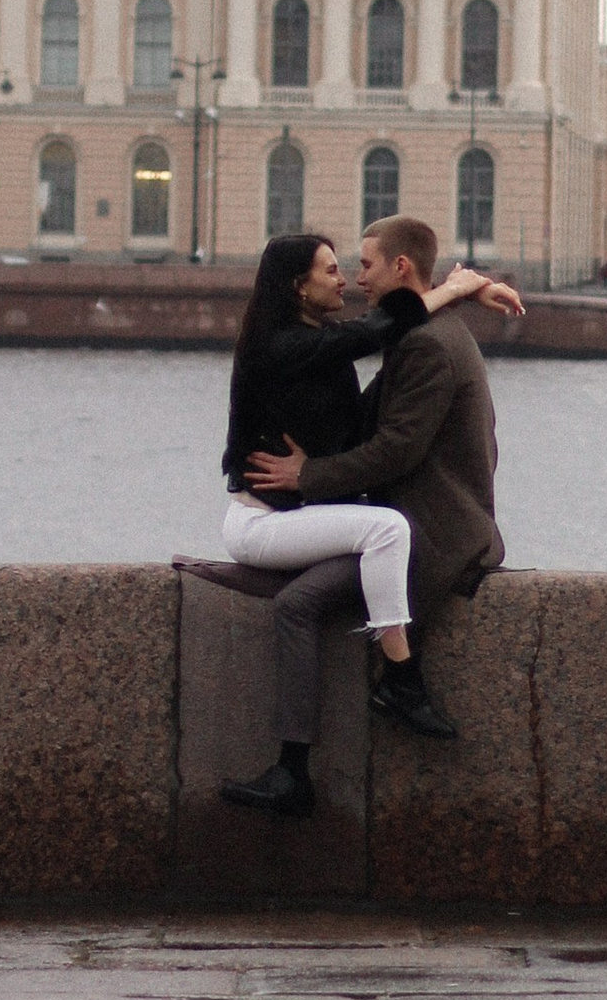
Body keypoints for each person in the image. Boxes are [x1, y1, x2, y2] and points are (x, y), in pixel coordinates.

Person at [218, 227, 519, 818]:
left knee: (303, 601)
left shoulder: (359, 344)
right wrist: (457, 286)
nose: (348, 280)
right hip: (263, 522)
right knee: (380, 533)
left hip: (363, 521)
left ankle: (295, 770)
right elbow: (374, 332)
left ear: (400, 266)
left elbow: (374, 422)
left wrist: (460, 289)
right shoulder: (284, 346)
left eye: (355, 266)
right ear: (297, 287)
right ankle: (400, 676)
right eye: (333, 270)